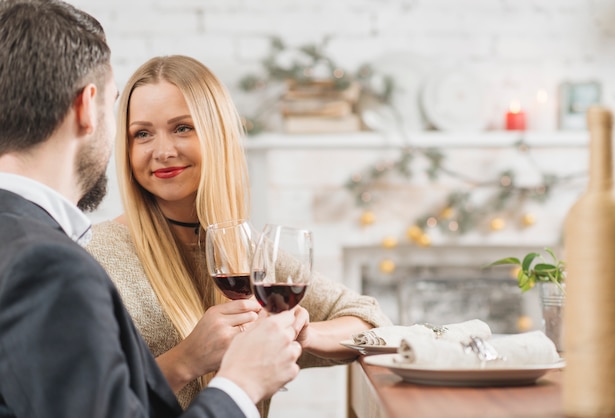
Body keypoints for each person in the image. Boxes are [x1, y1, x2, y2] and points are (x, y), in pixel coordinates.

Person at [0, 1, 303, 417]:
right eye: (118, 110)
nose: (162, 151)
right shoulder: (49, 264)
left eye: (182, 127)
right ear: (88, 107)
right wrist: (240, 384)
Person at [85, 55, 392, 415]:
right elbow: (89, 404)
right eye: (143, 134)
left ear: (217, 135)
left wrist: (298, 333)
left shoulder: (248, 254)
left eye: (182, 128)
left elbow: (371, 321)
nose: (163, 151)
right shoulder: (96, 255)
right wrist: (187, 359)